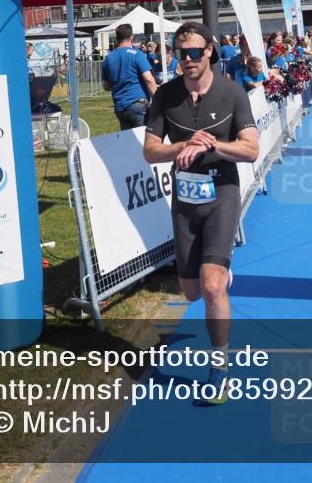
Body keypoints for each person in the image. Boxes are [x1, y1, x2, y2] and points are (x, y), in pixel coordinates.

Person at [143, 22, 259, 406]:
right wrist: (182, 146)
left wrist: (214, 145)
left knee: (210, 287)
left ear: (209, 51)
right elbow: (150, 151)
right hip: (185, 199)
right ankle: (219, 273)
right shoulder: (166, 95)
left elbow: (251, 150)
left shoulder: (231, 93)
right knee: (192, 292)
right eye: (182, 54)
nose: (188, 60)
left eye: (195, 52)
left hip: (222, 192)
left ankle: (220, 368)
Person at [101, 24, 158, 129]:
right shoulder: (137, 54)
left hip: (120, 106)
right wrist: (158, 100)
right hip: (138, 103)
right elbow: (149, 79)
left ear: (117, 38)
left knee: (128, 137)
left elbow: (106, 86)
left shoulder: (108, 58)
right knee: (143, 137)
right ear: (131, 37)